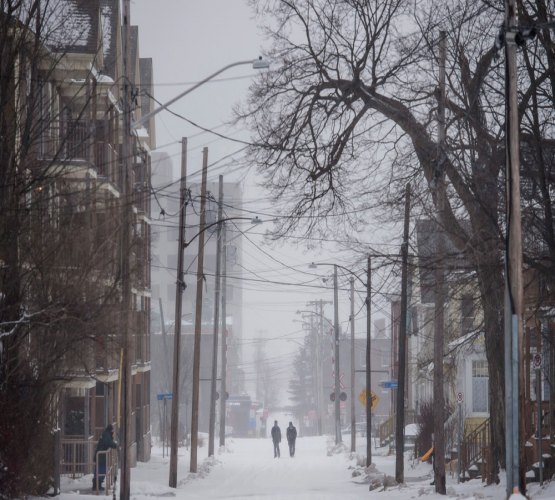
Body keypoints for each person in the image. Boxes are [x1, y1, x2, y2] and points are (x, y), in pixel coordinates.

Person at [92, 424, 117, 490]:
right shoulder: (106, 435)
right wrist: (115, 445)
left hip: (101, 455)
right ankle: (97, 485)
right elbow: (108, 442)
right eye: (113, 430)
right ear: (110, 430)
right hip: (101, 456)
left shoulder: (106, 434)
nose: (113, 432)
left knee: (99, 470)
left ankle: (96, 484)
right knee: (101, 470)